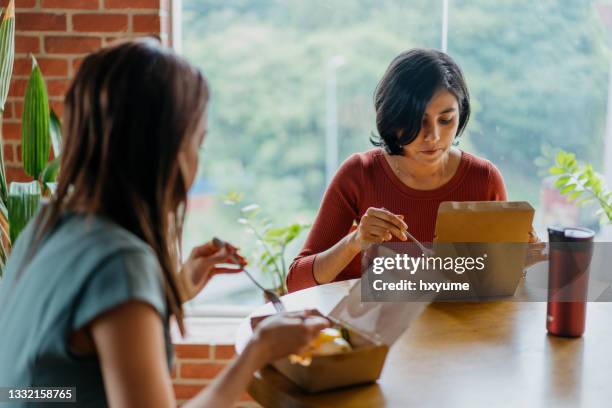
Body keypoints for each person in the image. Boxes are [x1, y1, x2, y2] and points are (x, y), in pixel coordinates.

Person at [0, 38, 328, 408]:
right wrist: (257, 351)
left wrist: (178, 285)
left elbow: (57, 370)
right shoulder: (119, 261)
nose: (196, 161)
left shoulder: (46, 222)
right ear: (163, 148)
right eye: (197, 143)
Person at [287, 48, 541, 293]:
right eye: (418, 121)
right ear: (393, 116)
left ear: (461, 114)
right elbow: (296, 283)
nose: (433, 136)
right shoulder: (360, 173)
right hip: (375, 330)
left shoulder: (483, 178)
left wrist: (522, 260)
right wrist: (353, 243)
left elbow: (494, 281)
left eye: (446, 119)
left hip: (453, 330)